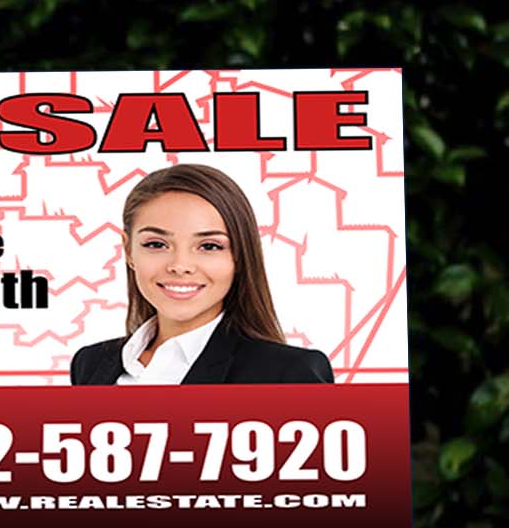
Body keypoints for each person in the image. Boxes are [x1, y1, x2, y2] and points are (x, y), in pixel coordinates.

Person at [70, 165, 334, 386]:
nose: (180, 265)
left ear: (240, 256)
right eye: (156, 244)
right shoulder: (90, 364)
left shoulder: (288, 374)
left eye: (209, 246)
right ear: (128, 250)